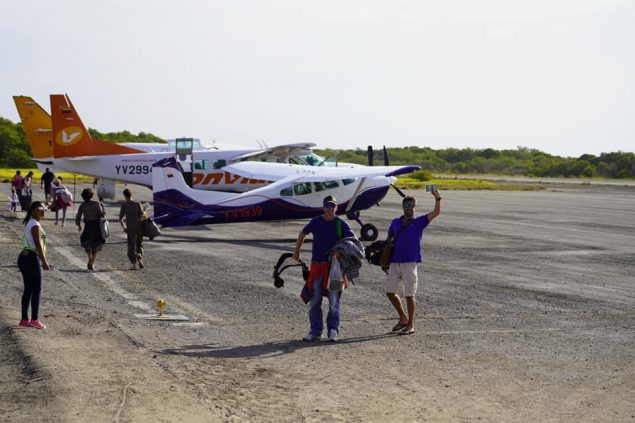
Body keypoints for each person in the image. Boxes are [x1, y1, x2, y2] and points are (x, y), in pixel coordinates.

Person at [293, 195, 355, 342]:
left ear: (336, 208)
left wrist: (341, 252)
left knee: (334, 301)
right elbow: (303, 233)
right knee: (315, 300)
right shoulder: (316, 221)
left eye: (332, 206)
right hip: (317, 268)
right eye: (327, 206)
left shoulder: (341, 223)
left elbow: (354, 241)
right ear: (323, 207)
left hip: (335, 269)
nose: (330, 208)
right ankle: (315, 331)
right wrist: (297, 251)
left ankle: (333, 331)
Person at [385, 189, 441, 336]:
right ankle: (403, 317)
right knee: (390, 292)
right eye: (406, 205)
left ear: (414, 207)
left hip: (410, 262)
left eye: (411, 205)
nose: (409, 207)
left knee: (409, 295)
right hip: (394, 261)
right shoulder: (395, 222)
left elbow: (436, 213)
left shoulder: (419, 222)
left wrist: (437, 197)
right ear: (403, 207)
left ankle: (411, 325)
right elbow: (388, 240)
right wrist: (384, 255)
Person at [18, 201, 50, 330]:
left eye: (43, 209)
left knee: (28, 290)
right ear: (32, 211)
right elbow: (37, 244)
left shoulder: (30, 222)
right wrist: (44, 261)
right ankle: (34, 319)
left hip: (25, 257)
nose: (42, 211)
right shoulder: (35, 224)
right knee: (36, 289)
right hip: (31, 258)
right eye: (39, 209)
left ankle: (24, 319)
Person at [75, 188, 106, 271]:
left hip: (88, 226)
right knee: (96, 244)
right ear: (92, 195)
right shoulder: (96, 204)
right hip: (96, 226)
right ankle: (92, 263)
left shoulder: (82, 206)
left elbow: (78, 217)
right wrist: (103, 208)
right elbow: (101, 215)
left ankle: (89, 258)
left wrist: (79, 225)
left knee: (87, 243)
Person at [119, 188, 145, 270]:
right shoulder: (138, 203)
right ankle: (140, 259)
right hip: (139, 227)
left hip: (130, 228)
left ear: (125, 196)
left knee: (131, 246)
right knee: (139, 244)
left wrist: (124, 227)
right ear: (131, 194)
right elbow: (142, 215)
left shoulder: (124, 205)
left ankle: (133, 264)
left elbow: (120, 218)